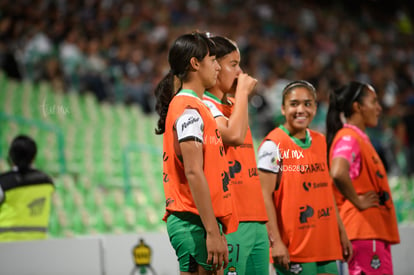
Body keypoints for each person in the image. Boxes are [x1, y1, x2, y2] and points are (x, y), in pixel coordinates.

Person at [154, 31, 238, 275]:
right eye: (213, 60)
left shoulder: (195, 105)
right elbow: (192, 171)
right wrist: (212, 232)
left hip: (200, 221)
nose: (217, 67)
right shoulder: (188, 108)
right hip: (193, 222)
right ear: (195, 63)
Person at [257, 80, 352, 275]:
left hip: (325, 244)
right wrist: (275, 243)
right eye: (294, 104)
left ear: (316, 108)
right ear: (283, 109)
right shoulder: (272, 145)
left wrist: (341, 232)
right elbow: (263, 197)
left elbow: (326, 192)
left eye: (307, 104)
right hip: (294, 250)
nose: (301, 110)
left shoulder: (320, 141)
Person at [202, 35, 269, 275]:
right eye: (233, 64)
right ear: (215, 67)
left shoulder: (234, 105)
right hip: (231, 221)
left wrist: (265, 220)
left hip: (256, 219)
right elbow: (233, 136)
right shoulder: (204, 105)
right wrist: (242, 94)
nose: (240, 72)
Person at [326, 81, 400, 275]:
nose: (379, 108)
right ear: (357, 107)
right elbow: (338, 171)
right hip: (364, 231)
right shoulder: (349, 138)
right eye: (374, 102)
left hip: (369, 232)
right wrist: (357, 200)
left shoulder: (357, 138)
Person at [0, 135, 54, 241]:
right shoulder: (47, 182)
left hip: (5, 246)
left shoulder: (4, 183)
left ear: (11, 156)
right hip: (37, 244)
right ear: (34, 157)